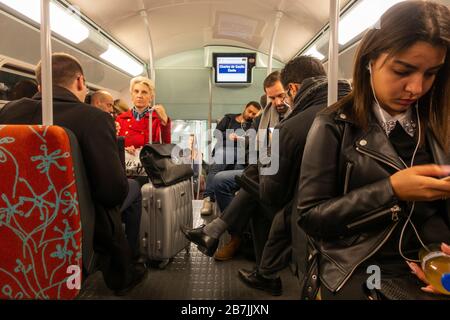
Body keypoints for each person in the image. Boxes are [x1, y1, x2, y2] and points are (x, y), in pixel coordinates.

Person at [296, 1, 450, 300]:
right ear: (369, 60)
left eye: (431, 74)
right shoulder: (334, 125)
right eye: (402, 70)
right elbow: (311, 217)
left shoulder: (440, 124)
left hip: (434, 262)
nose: (416, 88)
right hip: (361, 265)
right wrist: (391, 190)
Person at [0, 52, 146, 295]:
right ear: (79, 81)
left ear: (40, 85)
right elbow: (111, 192)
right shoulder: (95, 118)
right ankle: (124, 269)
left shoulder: (8, 113)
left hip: (18, 213)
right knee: (132, 189)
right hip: (76, 218)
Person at [181, 66, 318, 269]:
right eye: (271, 98)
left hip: (283, 174)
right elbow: (253, 145)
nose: (277, 103)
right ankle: (227, 230)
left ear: (291, 90)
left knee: (249, 187)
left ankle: (227, 235)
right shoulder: (261, 116)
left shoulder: (300, 115)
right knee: (227, 171)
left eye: (281, 96)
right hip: (262, 165)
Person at [238, 57, 351, 295]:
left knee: (255, 194)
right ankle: (265, 271)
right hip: (355, 209)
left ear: (293, 88)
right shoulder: (359, 106)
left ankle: (249, 257)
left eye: (284, 96)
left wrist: (266, 160)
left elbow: (272, 194)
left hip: (314, 218)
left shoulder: (288, 127)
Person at [200, 101, 261, 216]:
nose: (250, 115)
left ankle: (233, 206)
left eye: (254, 114)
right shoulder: (229, 119)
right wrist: (228, 136)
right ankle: (208, 198)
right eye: (249, 112)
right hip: (224, 148)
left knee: (241, 167)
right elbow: (216, 133)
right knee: (220, 161)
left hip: (241, 152)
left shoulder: (253, 125)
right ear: (245, 108)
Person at [116, 76, 171, 149]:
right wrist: (124, 150)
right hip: (126, 160)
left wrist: (165, 121)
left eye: (144, 92)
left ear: (151, 97)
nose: (139, 96)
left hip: (149, 160)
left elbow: (166, 146)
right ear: (132, 95)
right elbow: (114, 146)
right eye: (136, 91)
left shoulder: (157, 118)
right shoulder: (120, 119)